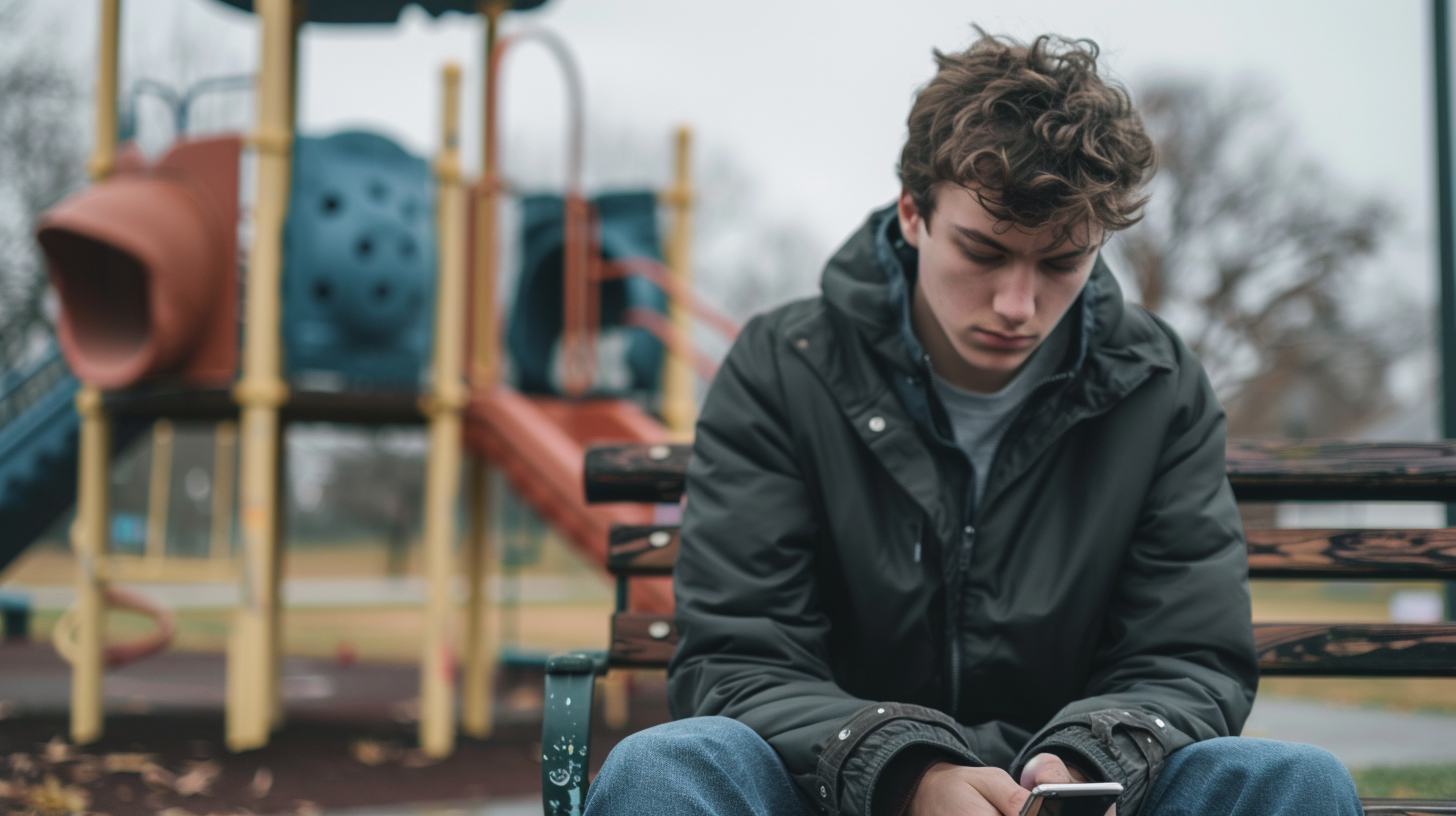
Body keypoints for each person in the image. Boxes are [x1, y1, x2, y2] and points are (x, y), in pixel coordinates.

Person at [584, 29, 1364, 816]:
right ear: (913, 212)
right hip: (837, 792)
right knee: (665, 770)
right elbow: (738, 659)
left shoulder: (1159, 388)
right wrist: (908, 773)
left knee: (1295, 783)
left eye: (1062, 262)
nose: (1017, 305)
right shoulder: (782, 367)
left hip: (1085, 797)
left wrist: (1085, 762)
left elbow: (1187, 658)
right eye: (984, 252)